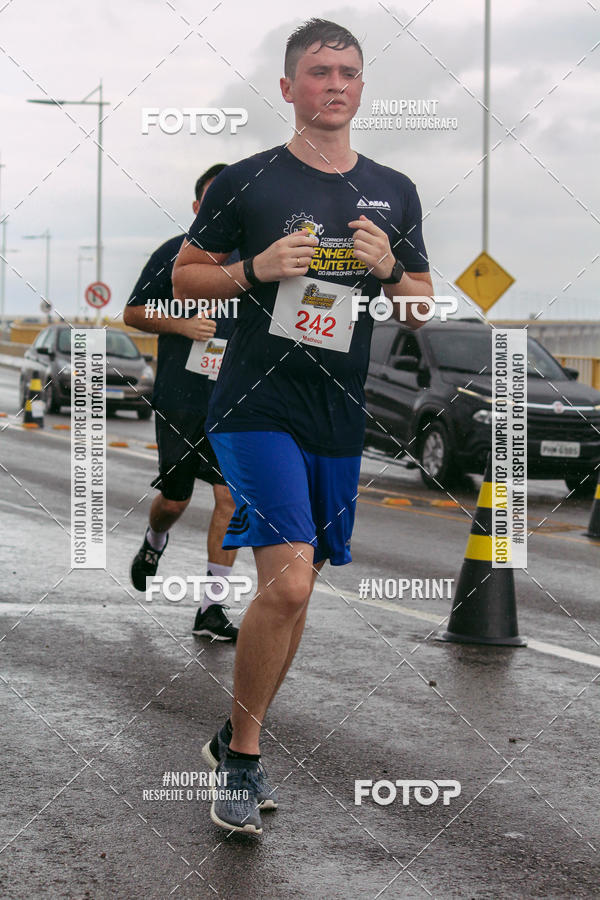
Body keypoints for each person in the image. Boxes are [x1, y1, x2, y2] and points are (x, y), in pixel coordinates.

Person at [172, 18, 434, 833]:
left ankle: (232, 736)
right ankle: (244, 761)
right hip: (255, 405)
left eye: (349, 73)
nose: (335, 85)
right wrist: (255, 269)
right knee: (285, 581)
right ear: (288, 87)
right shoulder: (248, 182)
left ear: (362, 88)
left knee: (298, 591)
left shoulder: (395, 191)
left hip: (336, 416)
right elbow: (186, 275)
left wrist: (389, 268)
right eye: (319, 72)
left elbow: (421, 308)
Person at [124, 165, 240, 641]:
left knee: (231, 500)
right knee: (175, 499)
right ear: (198, 208)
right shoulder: (174, 254)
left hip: (237, 401)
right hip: (181, 396)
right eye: (215, 200)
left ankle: (211, 609)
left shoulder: (258, 257)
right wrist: (180, 324)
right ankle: (155, 541)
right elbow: (133, 312)